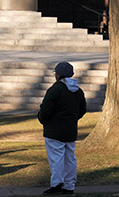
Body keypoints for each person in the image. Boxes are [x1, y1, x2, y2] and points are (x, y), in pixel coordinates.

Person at [37, 61, 87, 195]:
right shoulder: (78, 90)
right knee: (69, 158)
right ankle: (69, 185)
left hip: (54, 130)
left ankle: (57, 184)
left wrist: (43, 120)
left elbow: (45, 110)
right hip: (70, 129)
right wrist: (72, 119)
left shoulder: (55, 89)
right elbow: (82, 109)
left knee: (56, 158)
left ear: (58, 75)